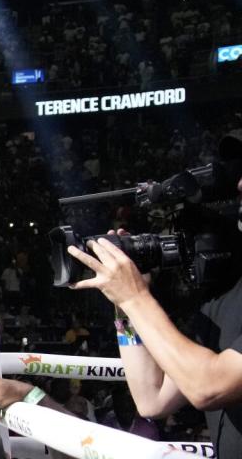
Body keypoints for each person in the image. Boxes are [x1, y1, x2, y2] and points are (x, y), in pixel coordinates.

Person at [64, 132, 242, 457]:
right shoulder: (226, 290)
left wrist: (135, 298)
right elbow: (152, 398)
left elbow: (208, 387)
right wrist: (125, 305)